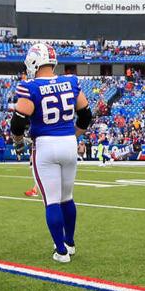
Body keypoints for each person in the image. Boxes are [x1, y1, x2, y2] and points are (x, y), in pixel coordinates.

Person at [11, 42, 93, 263]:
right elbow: (86, 116)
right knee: (67, 198)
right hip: (68, 143)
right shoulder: (71, 81)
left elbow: (18, 122)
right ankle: (70, 242)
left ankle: (61, 251)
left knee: (52, 201)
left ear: (33, 62)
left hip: (46, 145)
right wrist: (72, 135)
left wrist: (18, 141)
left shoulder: (30, 87)